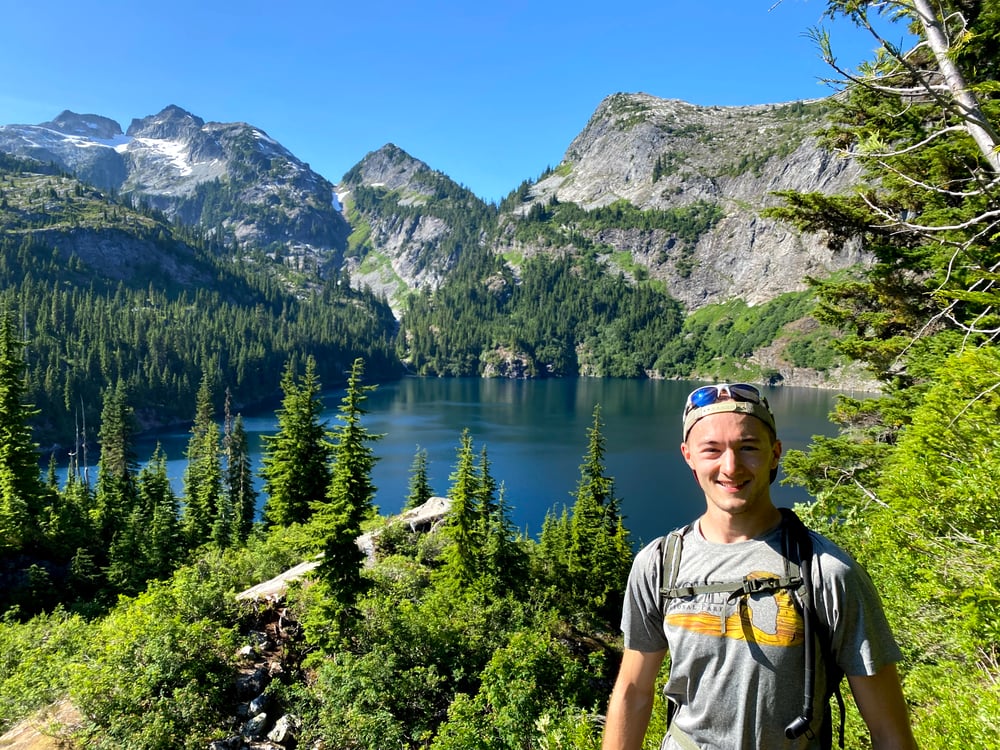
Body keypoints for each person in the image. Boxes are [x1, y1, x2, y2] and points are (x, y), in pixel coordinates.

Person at [602, 383, 917, 750]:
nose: (731, 467)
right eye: (712, 450)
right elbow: (633, 691)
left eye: (748, 447)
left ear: (775, 453)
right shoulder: (658, 565)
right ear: (688, 456)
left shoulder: (827, 572)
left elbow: (889, 731)